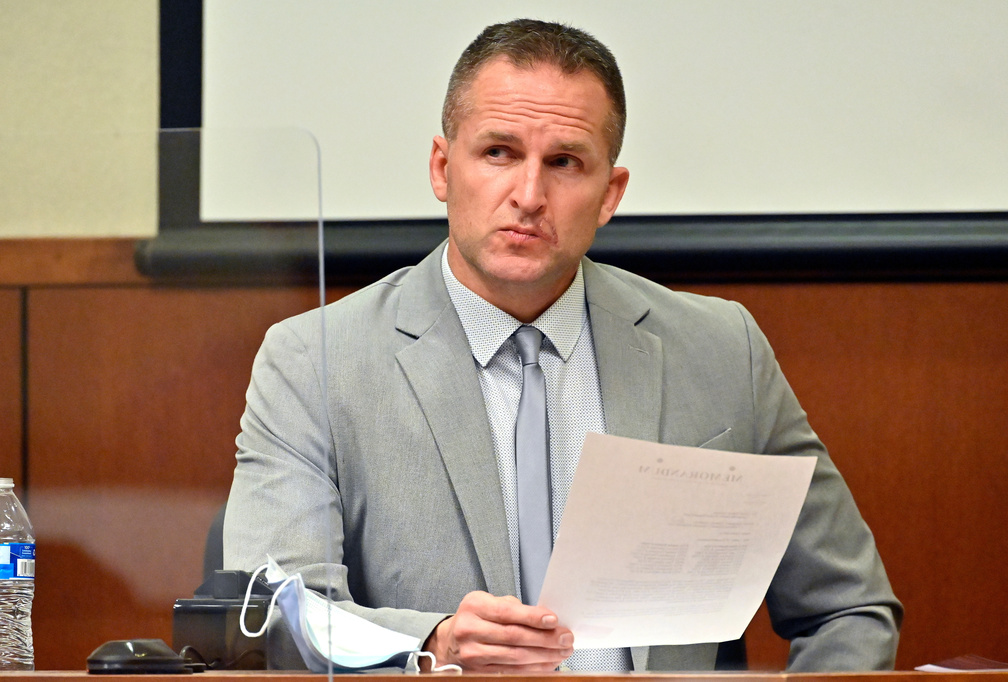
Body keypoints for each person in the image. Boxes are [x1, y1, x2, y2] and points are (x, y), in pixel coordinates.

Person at [224, 18, 902, 673]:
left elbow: (848, 608)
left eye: (565, 163)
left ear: (610, 194)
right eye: (498, 152)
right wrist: (432, 647)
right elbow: (271, 615)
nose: (528, 194)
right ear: (441, 168)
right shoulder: (314, 361)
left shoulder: (722, 352)